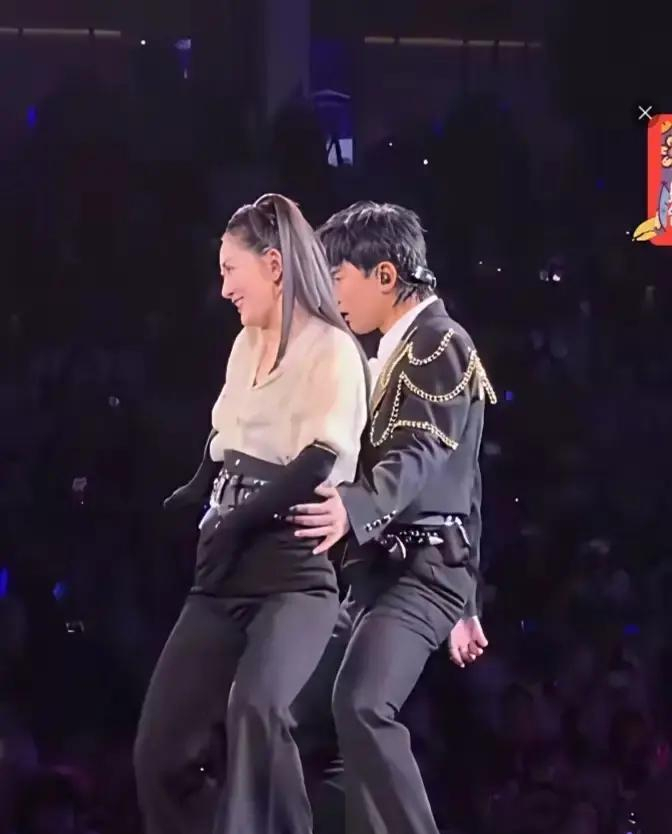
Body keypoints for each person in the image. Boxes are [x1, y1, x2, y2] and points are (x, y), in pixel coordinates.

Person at [133, 193, 369, 834]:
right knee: (161, 755)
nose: (223, 289)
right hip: (222, 571)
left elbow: (318, 460)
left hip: (291, 567)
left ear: (273, 265)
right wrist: (194, 493)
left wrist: (238, 519)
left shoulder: (332, 349)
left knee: (257, 711)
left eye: (230, 270)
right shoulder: (245, 345)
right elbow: (223, 439)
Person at [292, 201, 495, 834]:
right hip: (379, 574)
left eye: (338, 277)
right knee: (299, 716)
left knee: (362, 704)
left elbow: (422, 453)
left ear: (385, 275)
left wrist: (353, 506)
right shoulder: (393, 350)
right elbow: (468, 479)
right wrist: (469, 607)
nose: (331, 295)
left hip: (423, 571)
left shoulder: (441, 342)